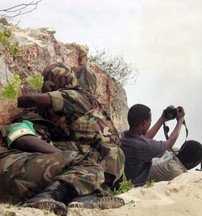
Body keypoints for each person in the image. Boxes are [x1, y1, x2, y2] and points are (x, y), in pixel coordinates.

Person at [0, 112, 124, 216]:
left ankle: (79, 197)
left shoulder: (42, 145)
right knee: (82, 160)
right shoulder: (20, 124)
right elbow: (22, 139)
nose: (47, 132)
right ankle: (50, 195)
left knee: (84, 163)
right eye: (44, 127)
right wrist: (66, 156)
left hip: (16, 183)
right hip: (9, 169)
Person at [17, 62, 125, 191]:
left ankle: (86, 186)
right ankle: (100, 188)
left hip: (96, 154)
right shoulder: (90, 101)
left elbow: (35, 99)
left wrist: (10, 101)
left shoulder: (73, 95)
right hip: (109, 161)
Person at [120, 103, 185, 187]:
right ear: (144, 123)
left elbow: (145, 138)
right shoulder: (143, 146)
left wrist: (162, 119)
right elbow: (169, 144)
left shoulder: (123, 136)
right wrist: (180, 121)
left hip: (122, 180)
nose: (150, 122)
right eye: (150, 120)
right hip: (135, 187)